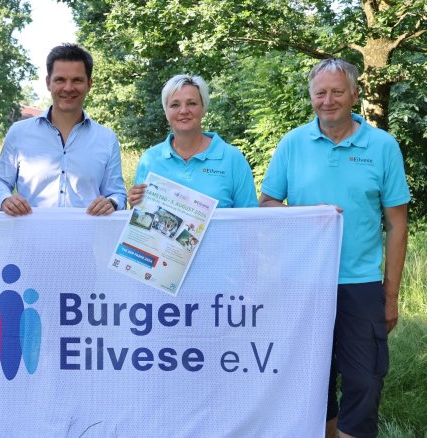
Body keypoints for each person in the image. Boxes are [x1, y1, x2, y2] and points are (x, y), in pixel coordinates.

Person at [259, 58, 410, 438]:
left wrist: (390, 295)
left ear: (354, 95)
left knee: (365, 381)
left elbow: (396, 224)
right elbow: (268, 205)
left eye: (337, 92)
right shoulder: (293, 144)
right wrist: (309, 215)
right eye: (320, 92)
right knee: (313, 381)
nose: (328, 100)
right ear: (310, 97)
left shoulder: (383, 146)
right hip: (304, 283)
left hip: (360, 284)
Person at [0, 43, 126, 216]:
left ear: (89, 84)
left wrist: (112, 203)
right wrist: (5, 199)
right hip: (30, 240)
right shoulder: (19, 133)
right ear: (48, 83)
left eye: (77, 80)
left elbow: (117, 194)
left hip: (86, 240)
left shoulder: (107, 139)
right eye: (60, 80)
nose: (68, 88)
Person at [127, 74, 257, 209]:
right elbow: (140, 219)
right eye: (175, 105)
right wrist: (135, 204)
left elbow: (250, 220)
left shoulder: (233, 159)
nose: (183, 111)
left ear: (203, 108)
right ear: (166, 112)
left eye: (192, 103)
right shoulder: (150, 159)